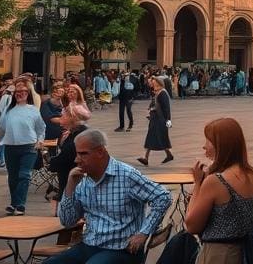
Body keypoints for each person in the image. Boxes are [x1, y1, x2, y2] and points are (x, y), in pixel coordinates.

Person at [48, 130, 171, 264]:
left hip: (121, 250)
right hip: (89, 245)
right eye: (77, 154)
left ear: (100, 152)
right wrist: (70, 185)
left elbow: (163, 197)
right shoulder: (82, 180)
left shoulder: (126, 175)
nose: (77, 160)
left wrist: (144, 232)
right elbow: (67, 221)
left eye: (83, 154)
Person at [184, 118, 253, 263]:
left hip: (220, 255)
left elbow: (191, 225)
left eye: (208, 141)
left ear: (220, 146)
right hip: (251, 254)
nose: (204, 146)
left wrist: (198, 184)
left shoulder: (215, 181)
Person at [0, 79, 46, 215]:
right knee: (13, 177)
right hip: (10, 146)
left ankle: (20, 205)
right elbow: (0, 127)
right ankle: (14, 203)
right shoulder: (9, 110)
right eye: (17, 92)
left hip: (28, 147)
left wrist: (40, 140)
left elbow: (41, 128)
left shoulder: (33, 110)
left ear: (28, 93)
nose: (20, 94)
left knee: (24, 175)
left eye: (23, 91)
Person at [49, 103, 91, 207]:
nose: (61, 118)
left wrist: (52, 162)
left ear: (72, 118)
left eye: (64, 115)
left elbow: (68, 154)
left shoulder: (80, 134)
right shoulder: (72, 132)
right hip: (67, 176)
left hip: (74, 178)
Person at [137, 76, 172, 166]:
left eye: (155, 83)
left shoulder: (163, 93)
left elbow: (166, 109)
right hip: (156, 119)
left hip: (160, 120)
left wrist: (168, 121)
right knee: (156, 138)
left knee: (156, 137)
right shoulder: (158, 92)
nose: (153, 85)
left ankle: (146, 158)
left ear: (159, 84)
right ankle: (167, 155)